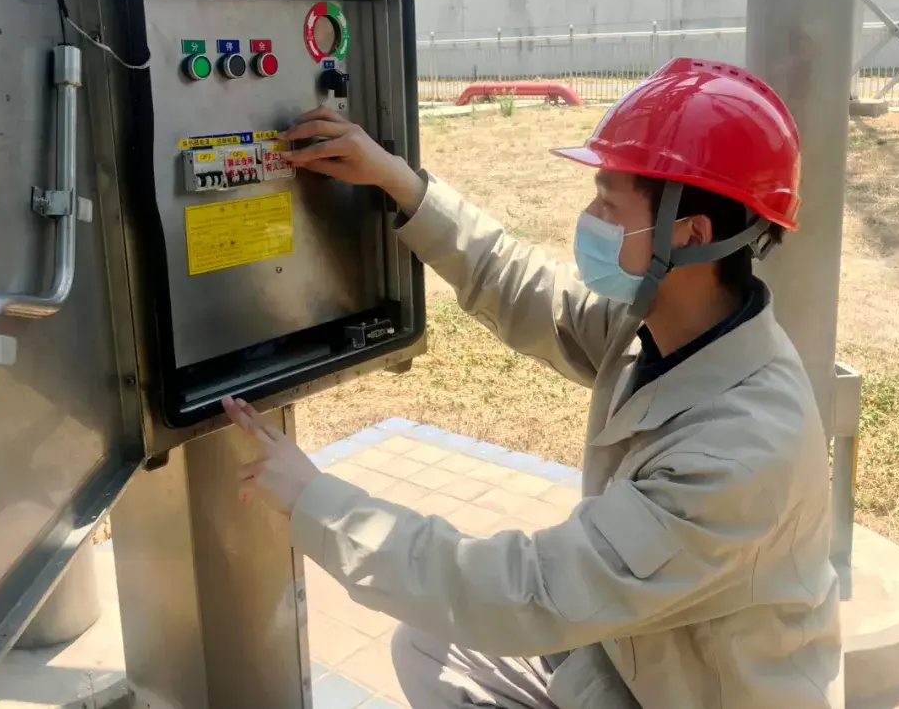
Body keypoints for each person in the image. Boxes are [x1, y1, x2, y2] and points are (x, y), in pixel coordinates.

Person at [221, 57, 843, 709]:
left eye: (609, 201)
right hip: (641, 656)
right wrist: (398, 181)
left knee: (475, 616)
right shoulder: (667, 326)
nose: (589, 215)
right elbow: (526, 289)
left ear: (690, 235)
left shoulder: (738, 455)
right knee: (431, 646)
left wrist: (315, 500)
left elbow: (525, 595)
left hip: (692, 696)